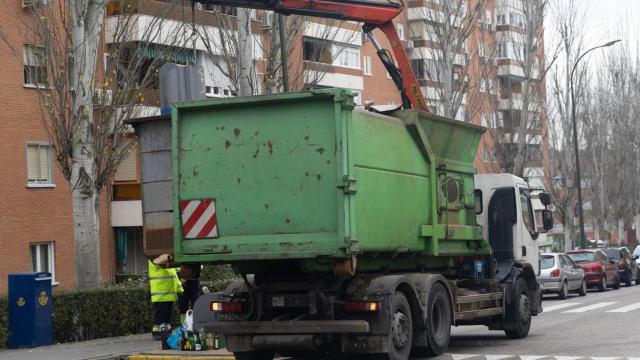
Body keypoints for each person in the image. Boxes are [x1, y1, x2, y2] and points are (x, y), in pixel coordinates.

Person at [149, 257, 183, 340]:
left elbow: (175, 269)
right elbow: (162, 262)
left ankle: (165, 332)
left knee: (166, 316)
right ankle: (157, 333)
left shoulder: (166, 260)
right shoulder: (155, 257)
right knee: (161, 315)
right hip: (161, 293)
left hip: (168, 292)